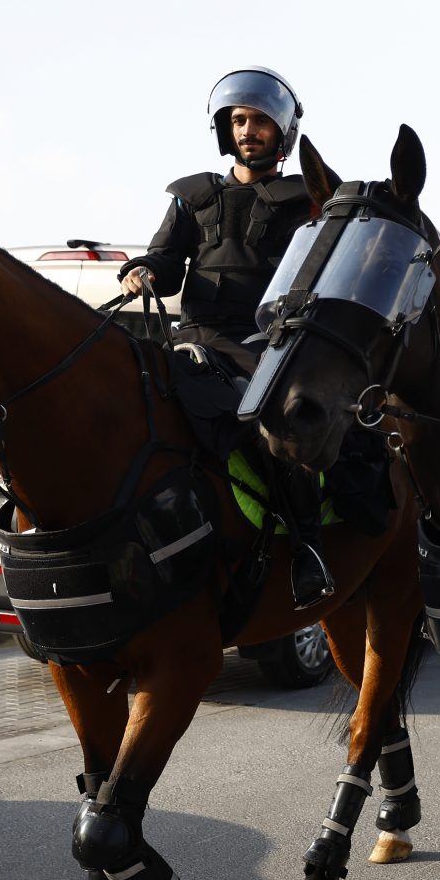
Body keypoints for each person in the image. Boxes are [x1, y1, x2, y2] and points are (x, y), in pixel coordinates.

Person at [118, 66, 331, 607]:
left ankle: (307, 547)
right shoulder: (193, 196)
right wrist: (143, 269)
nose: (247, 130)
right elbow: (166, 257)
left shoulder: (305, 197)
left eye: (259, 121)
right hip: (193, 335)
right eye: (238, 120)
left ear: (281, 131)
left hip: (261, 341)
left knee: (283, 425)